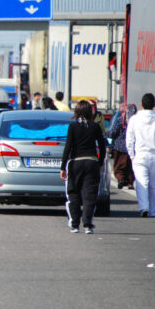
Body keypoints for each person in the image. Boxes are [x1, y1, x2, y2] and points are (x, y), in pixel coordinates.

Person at [60, 100, 106, 234]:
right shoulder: (95, 126)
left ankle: (74, 224)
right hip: (91, 162)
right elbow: (102, 147)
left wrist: (63, 167)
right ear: (90, 112)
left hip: (76, 162)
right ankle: (87, 224)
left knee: (73, 192)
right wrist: (100, 162)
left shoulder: (73, 127)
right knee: (89, 194)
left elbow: (67, 148)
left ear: (77, 112)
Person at [126, 93, 155, 217]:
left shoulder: (135, 119)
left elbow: (129, 138)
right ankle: (153, 210)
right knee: (153, 184)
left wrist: (131, 154)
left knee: (142, 182)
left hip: (140, 155)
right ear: (154, 105)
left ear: (141, 105)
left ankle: (144, 207)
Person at [106, 104, 137, 190]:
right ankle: (130, 183)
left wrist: (109, 138)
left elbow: (113, 132)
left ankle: (121, 179)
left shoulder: (120, 120)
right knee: (130, 168)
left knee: (119, 167)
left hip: (119, 147)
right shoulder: (136, 121)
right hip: (132, 148)